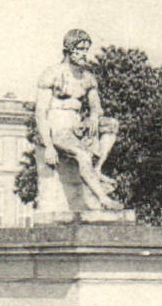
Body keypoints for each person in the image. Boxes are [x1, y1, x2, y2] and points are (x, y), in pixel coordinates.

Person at [34, 29, 121, 212]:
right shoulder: (52, 74)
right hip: (58, 127)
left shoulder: (87, 78)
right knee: (82, 155)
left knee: (111, 124)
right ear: (68, 49)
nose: (83, 54)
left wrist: (93, 117)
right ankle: (103, 198)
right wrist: (49, 146)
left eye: (85, 49)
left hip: (77, 126)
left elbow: (96, 107)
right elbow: (41, 113)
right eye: (79, 49)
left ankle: (97, 169)